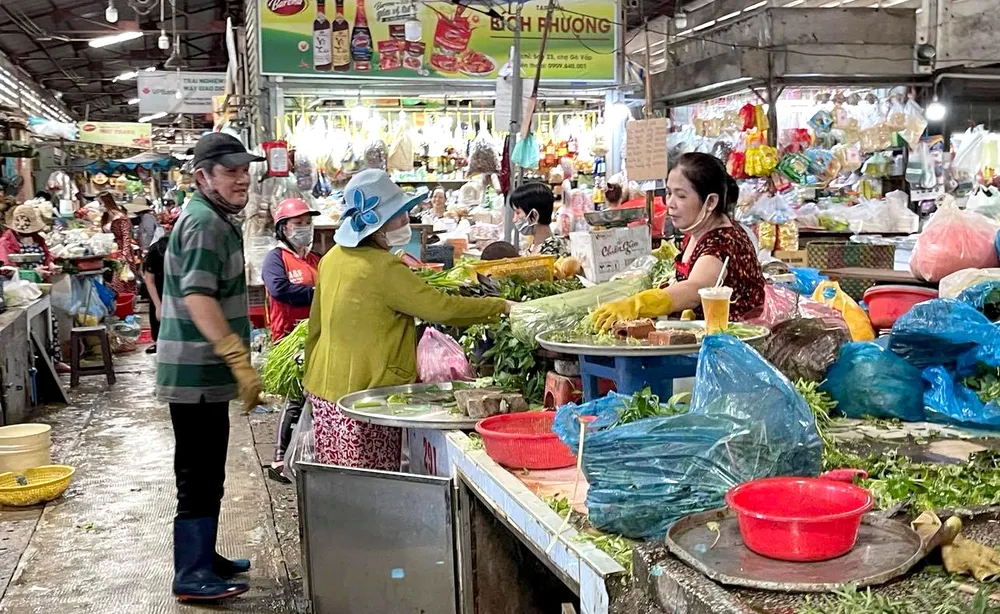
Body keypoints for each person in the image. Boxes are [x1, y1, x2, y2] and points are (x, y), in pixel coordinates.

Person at [302, 169, 511, 470]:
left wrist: (310, 379)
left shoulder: (332, 258)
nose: (406, 221)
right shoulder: (385, 268)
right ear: (378, 225)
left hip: (323, 391)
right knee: (374, 490)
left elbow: (315, 327)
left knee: (339, 490)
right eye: (399, 215)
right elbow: (442, 308)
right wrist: (500, 305)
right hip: (364, 399)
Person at [156, 132, 265, 602]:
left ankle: (205, 556)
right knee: (198, 473)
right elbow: (198, 298)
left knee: (208, 469)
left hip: (204, 373)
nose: (242, 178)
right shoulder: (204, 223)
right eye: (230, 170)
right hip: (195, 371)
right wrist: (237, 357)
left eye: (245, 169)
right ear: (203, 176)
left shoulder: (216, 217)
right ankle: (191, 574)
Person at [592, 152, 765, 330]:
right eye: (669, 193)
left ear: (711, 201)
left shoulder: (723, 242)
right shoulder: (697, 231)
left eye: (681, 196)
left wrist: (637, 305)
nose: (670, 203)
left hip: (730, 346)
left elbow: (695, 289)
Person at [261, 197, 320, 483]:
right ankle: (278, 459)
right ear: (284, 228)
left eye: (308, 223)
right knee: (296, 398)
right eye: (299, 224)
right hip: (289, 338)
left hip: (314, 336)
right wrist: (318, 293)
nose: (305, 228)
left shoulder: (313, 258)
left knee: (312, 396)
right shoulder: (276, 258)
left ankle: (305, 454)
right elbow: (280, 289)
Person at [509, 181, 568, 256]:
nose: (514, 219)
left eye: (518, 213)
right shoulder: (534, 246)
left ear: (534, 215)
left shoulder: (551, 250)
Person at [97, 191, 139, 296]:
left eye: (101, 203)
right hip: (110, 251)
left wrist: (125, 253)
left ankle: (126, 302)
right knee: (112, 279)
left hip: (121, 251)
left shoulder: (120, 217)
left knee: (122, 278)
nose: (100, 206)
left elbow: (126, 236)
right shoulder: (105, 217)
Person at [142, 230, 169, 354]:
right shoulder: (155, 252)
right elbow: (149, 281)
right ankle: (159, 342)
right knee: (158, 317)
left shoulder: (187, 250)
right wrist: (158, 306)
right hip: (159, 289)